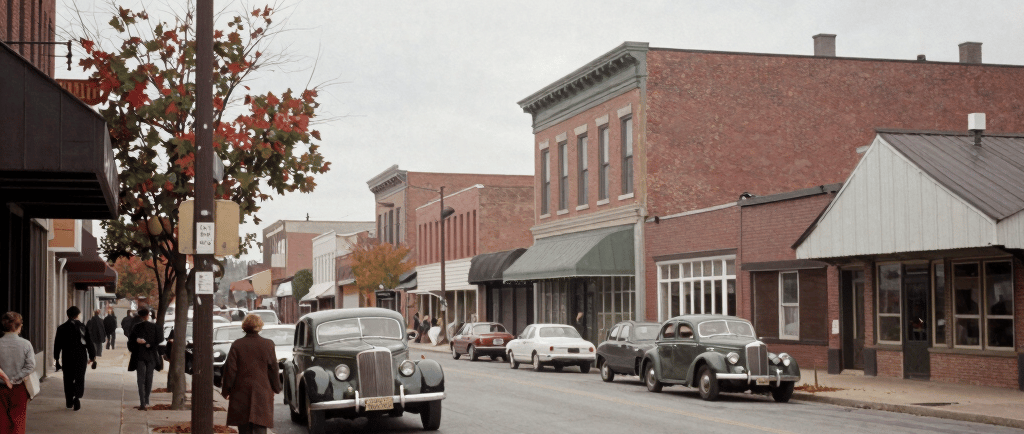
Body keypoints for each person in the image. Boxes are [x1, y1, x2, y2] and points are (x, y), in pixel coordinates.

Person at [221, 314, 281, 434]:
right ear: (259, 326)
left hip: (241, 392)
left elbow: (230, 370)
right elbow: (273, 369)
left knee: (244, 427)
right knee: (260, 425)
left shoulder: (237, 345)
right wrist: (276, 387)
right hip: (262, 391)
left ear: (244, 326)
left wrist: (226, 391)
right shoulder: (268, 344)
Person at [54, 306, 95, 411]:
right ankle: (77, 397)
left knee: (68, 379)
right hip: (80, 356)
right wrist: (92, 356)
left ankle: (69, 400)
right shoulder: (82, 327)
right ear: (78, 315)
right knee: (79, 378)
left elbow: (57, 345)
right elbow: (89, 342)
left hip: (67, 356)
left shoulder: (61, 328)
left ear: (67, 315)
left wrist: (56, 358)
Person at [0, 312, 35, 434]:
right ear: (19, 326)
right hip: (19, 387)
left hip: (0, 388)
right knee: (18, 422)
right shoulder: (25, 344)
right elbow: (30, 366)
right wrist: (15, 378)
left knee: (2, 422)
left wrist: (5, 379)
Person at [127, 308, 163, 410]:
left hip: (139, 355)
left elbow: (130, 342)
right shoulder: (155, 327)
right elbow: (160, 340)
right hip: (151, 356)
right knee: (149, 378)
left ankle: (142, 402)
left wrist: (137, 341)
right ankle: (147, 400)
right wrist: (150, 344)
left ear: (139, 315)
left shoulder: (136, 327)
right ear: (148, 315)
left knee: (140, 379)